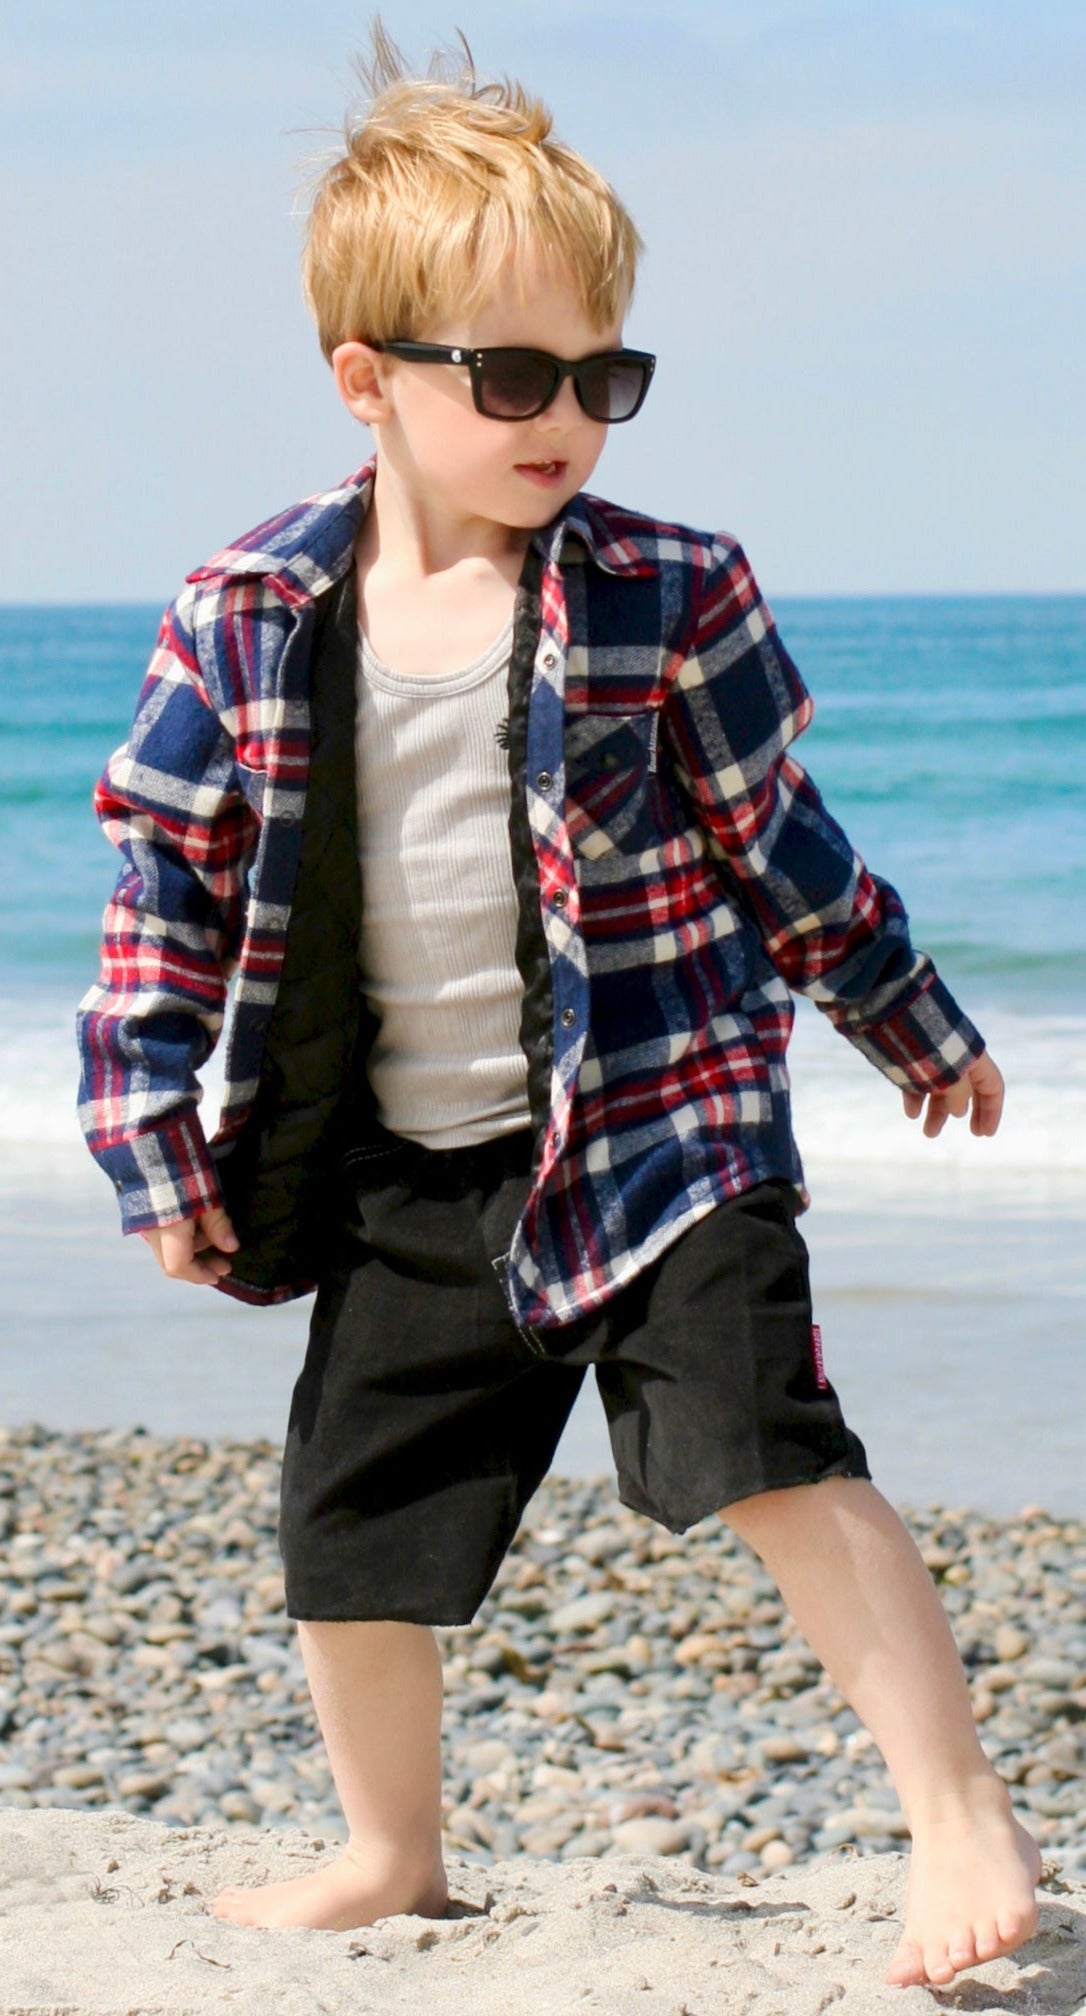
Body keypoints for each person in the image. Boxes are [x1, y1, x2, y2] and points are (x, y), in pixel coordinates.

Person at [76, 24, 1040, 1990]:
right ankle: (388, 1852)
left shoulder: (668, 593)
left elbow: (779, 842)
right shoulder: (246, 613)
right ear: (366, 380)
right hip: (412, 1160)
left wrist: (905, 1014)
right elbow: (163, 888)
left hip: (666, 1131)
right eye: (511, 377)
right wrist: (150, 1134)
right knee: (354, 1514)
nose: (566, 419)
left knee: (772, 1446)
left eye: (604, 376)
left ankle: (955, 1808)